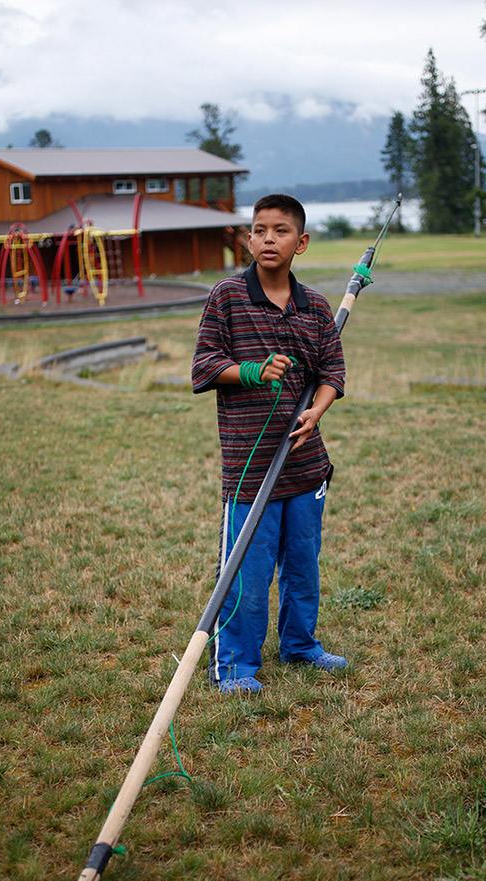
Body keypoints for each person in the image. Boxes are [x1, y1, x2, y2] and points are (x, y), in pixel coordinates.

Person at [191, 193, 346, 694]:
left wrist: (317, 409)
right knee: (248, 572)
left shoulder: (317, 308)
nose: (267, 239)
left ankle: (301, 646)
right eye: (259, 230)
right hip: (250, 468)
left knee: (302, 565)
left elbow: (332, 372)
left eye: (280, 231)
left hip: (305, 467)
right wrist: (252, 371)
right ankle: (235, 664)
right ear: (248, 239)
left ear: (300, 243)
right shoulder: (228, 298)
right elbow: (204, 367)